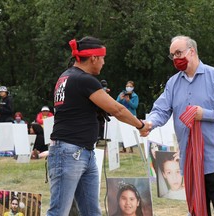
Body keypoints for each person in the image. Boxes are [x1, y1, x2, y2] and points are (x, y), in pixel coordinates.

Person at [47, 36, 150, 216]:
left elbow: (77, 108)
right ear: (94, 57)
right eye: (102, 58)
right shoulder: (84, 80)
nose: (103, 63)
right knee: (59, 212)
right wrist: (140, 125)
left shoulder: (66, 76)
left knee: (91, 211)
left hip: (80, 151)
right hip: (71, 152)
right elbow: (117, 109)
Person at [141, 36, 214, 215]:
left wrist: (204, 114)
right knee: (196, 209)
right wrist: (150, 123)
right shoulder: (173, 83)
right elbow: (161, 110)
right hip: (189, 159)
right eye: (172, 55)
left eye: (178, 53)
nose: (175, 58)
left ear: (191, 51)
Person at [116, 80, 139, 153]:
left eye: (130, 86)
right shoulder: (121, 94)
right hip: (122, 115)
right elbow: (116, 103)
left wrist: (128, 100)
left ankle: (131, 148)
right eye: (127, 86)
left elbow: (135, 106)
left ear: (133, 87)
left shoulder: (135, 96)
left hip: (131, 115)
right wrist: (120, 99)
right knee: (122, 131)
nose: (129, 88)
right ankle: (123, 148)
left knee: (131, 131)